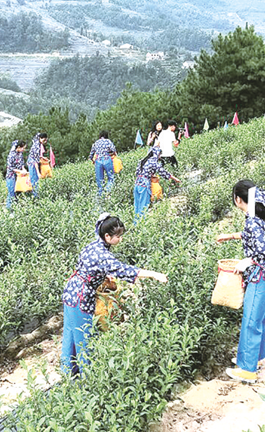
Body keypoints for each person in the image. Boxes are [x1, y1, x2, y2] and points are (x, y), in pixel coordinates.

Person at [61, 213, 169, 377]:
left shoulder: (93, 245)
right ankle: (88, 378)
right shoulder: (103, 256)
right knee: (84, 339)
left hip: (71, 292)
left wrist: (102, 276)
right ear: (107, 236)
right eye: (118, 236)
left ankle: (68, 374)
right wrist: (154, 274)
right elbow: (124, 270)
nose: (120, 240)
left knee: (70, 335)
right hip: (81, 298)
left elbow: (89, 266)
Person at [216, 180, 265, 384]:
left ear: (238, 199)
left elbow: (263, 250)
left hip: (262, 275)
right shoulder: (262, 207)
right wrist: (233, 236)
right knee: (262, 318)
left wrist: (248, 261)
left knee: (252, 320)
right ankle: (256, 358)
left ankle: (247, 370)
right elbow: (259, 237)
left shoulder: (252, 220)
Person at [133, 146, 180, 222]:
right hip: (144, 186)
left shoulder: (142, 161)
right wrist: (175, 179)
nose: (160, 157)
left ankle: (135, 224)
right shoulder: (153, 162)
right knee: (143, 207)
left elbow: (138, 173)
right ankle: (141, 225)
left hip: (137, 184)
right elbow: (163, 172)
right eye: (159, 155)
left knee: (137, 207)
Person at [89, 130, 117, 197]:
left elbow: (91, 154)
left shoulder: (96, 142)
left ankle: (101, 196)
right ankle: (108, 191)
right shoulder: (108, 141)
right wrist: (111, 154)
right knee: (111, 178)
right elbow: (113, 150)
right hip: (107, 159)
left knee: (100, 180)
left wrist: (93, 160)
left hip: (98, 161)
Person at [6, 140, 28, 210]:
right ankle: (10, 210)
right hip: (11, 176)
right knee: (11, 193)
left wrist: (23, 169)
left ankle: (17, 209)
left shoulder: (20, 154)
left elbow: (21, 164)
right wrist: (20, 171)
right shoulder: (11, 155)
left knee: (18, 192)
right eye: (23, 148)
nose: (23, 150)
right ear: (18, 147)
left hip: (19, 176)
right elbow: (10, 167)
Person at [27, 132, 48, 197]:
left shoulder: (37, 142)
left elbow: (37, 156)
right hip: (32, 163)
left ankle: (35, 194)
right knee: (34, 180)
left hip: (32, 161)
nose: (45, 141)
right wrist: (38, 172)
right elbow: (35, 161)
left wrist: (42, 157)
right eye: (44, 140)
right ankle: (35, 196)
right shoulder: (37, 147)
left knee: (35, 180)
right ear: (41, 139)